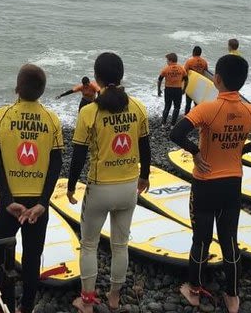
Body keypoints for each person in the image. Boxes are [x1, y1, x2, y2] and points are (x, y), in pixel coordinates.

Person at [170, 54, 251, 313]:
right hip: (232, 183)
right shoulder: (250, 110)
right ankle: (232, 297)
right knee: (229, 239)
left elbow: (176, 133)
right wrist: (245, 149)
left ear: (216, 79)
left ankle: (194, 290)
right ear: (242, 82)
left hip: (206, 183)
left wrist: (196, 153)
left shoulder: (207, 108)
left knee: (201, 239)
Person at [67, 52, 151, 313]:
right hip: (129, 187)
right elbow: (145, 146)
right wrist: (144, 176)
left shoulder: (89, 112)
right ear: (121, 75)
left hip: (99, 187)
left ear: (96, 78)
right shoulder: (137, 107)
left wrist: (70, 187)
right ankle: (114, 297)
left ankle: (88, 301)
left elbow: (79, 155)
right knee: (120, 245)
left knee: (89, 245)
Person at [0, 64, 64, 313]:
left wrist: (7, 199)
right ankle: (26, 307)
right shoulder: (52, 119)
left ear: (17, 87)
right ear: (42, 91)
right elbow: (56, 164)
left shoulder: (2, 115)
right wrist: (43, 202)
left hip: (10, 202)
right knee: (32, 258)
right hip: (37, 206)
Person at [158, 53, 188, 127]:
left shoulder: (166, 69)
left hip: (168, 89)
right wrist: (184, 89)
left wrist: (159, 90)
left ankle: (163, 123)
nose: (167, 62)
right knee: (177, 107)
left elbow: (159, 80)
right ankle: (172, 125)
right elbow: (186, 80)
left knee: (167, 106)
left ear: (171, 60)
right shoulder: (181, 68)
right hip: (178, 90)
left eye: (167, 60)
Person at [183, 46, 211, 114]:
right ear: (200, 53)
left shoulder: (189, 62)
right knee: (197, 103)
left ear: (193, 52)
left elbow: (184, 73)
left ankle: (186, 116)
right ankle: (197, 117)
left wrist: (183, 86)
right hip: (199, 85)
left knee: (188, 104)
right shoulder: (204, 62)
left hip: (191, 84)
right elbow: (206, 74)